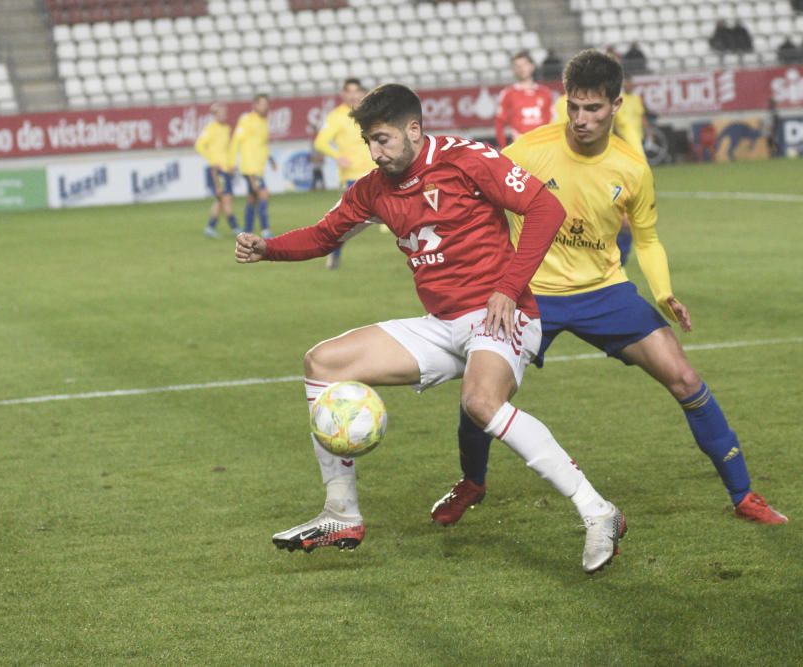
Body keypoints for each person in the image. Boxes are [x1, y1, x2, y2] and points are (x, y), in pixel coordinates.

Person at [235, 83, 626, 574]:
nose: (375, 153)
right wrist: (267, 248)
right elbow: (322, 235)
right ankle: (341, 514)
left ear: (414, 130)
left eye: (383, 140)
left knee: (481, 402)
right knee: (321, 362)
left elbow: (547, 209)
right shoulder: (372, 189)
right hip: (442, 325)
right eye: (369, 143)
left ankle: (599, 512)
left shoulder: (466, 159)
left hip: (500, 314)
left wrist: (507, 287)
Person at [430, 50, 788, 530]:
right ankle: (472, 483)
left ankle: (743, 494)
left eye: (593, 109)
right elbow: (476, 194)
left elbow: (648, 237)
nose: (580, 119)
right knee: (481, 395)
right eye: (573, 106)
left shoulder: (632, 167)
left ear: (617, 104)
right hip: (531, 294)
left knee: (684, 378)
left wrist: (662, 292)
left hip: (605, 292)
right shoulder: (529, 150)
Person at [313, 78, 377, 269]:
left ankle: (425, 256)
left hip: (378, 174)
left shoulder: (370, 113)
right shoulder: (336, 117)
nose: (353, 95)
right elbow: (320, 142)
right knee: (346, 223)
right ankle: (334, 253)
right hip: (352, 177)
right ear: (343, 94)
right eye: (349, 91)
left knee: (404, 213)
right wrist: (337, 156)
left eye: (356, 91)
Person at [610, 76, 648, 265]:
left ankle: (619, 263)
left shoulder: (629, 101)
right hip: (610, 161)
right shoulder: (564, 104)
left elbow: (634, 122)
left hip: (630, 159)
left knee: (627, 220)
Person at [230, 94, 277, 239]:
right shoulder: (246, 120)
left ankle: (247, 231)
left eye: (266, 104)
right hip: (250, 167)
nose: (265, 107)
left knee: (252, 198)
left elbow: (262, 144)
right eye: (262, 104)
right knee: (263, 194)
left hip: (259, 167)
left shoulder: (264, 122)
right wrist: (231, 163)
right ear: (254, 105)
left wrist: (270, 158)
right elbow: (236, 141)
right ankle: (265, 230)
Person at [194, 102, 241, 239]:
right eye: (221, 113)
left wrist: (231, 164)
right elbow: (199, 146)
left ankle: (210, 227)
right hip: (217, 170)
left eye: (225, 112)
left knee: (220, 200)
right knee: (225, 198)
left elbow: (227, 150)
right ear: (215, 114)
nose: (224, 115)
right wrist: (213, 161)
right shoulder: (210, 129)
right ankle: (235, 227)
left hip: (226, 169)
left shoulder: (226, 128)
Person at [494, 51, 554, 149]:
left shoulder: (545, 93)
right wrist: (503, 148)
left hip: (543, 147)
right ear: (513, 69)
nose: (521, 68)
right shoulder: (507, 94)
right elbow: (499, 124)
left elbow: (552, 122)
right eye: (517, 66)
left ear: (532, 66)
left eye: (524, 64)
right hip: (520, 148)